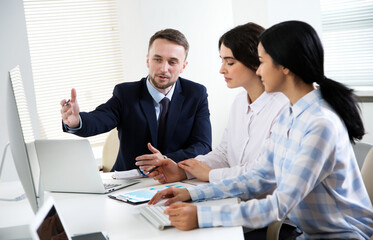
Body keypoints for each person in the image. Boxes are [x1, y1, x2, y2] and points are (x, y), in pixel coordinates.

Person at [148, 21, 373, 239]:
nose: (259, 70)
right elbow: (260, 177)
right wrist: (192, 193)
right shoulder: (290, 115)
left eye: (262, 62)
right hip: (311, 234)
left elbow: (280, 204)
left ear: (284, 66)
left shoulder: (320, 124)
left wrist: (202, 216)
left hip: (343, 235)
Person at [139, 23, 289, 183]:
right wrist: (182, 171)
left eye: (230, 63)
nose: (222, 69)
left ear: (254, 61)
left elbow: (265, 172)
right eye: (222, 61)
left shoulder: (284, 107)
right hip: (235, 195)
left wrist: (210, 175)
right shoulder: (240, 102)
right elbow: (224, 153)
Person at [60, 28, 212, 171]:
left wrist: (166, 159)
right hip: (129, 181)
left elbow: (203, 145)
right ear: (148, 61)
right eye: (157, 59)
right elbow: (100, 119)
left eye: (172, 62)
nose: (164, 68)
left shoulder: (196, 94)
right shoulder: (126, 93)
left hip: (176, 179)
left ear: (183, 66)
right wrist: (76, 121)